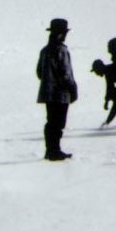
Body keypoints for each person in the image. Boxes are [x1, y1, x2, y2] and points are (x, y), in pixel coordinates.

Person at [36, 18, 78, 161]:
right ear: (61, 34)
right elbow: (66, 74)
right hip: (61, 93)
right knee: (58, 123)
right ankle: (55, 151)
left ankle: (51, 150)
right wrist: (73, 88)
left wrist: (49, 80)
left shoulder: (44, 50)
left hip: (48, 93)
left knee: (51, 121)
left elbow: (39, 73)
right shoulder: (61, 50)